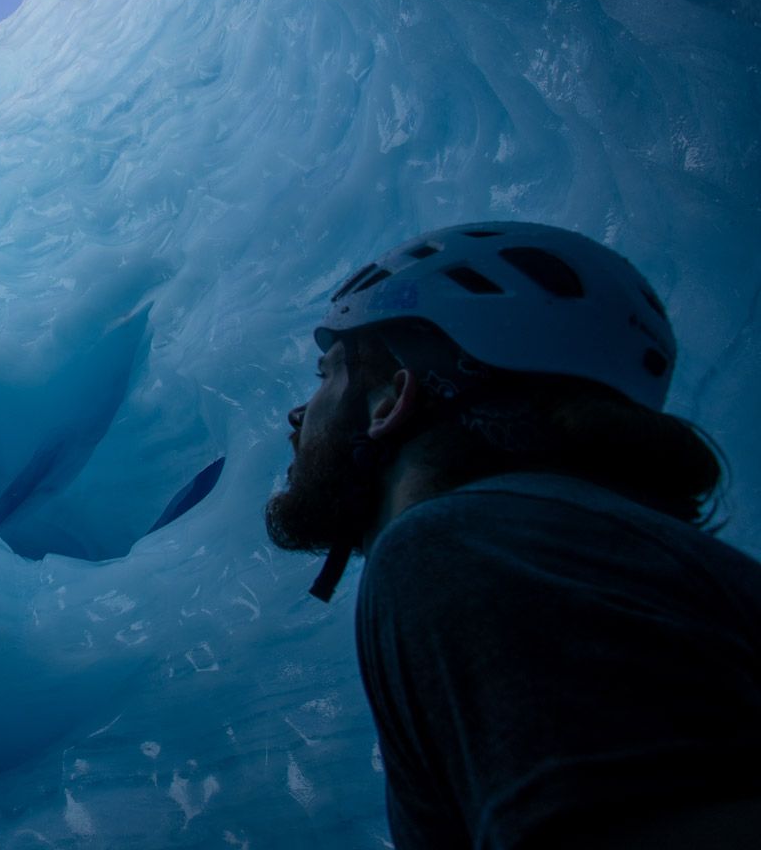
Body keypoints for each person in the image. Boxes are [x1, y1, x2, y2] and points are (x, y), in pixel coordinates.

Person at [265, 221, 761, 848]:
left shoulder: (471, 547)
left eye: (327, 374)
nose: (299, 415)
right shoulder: (583, 545)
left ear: (391, 401)